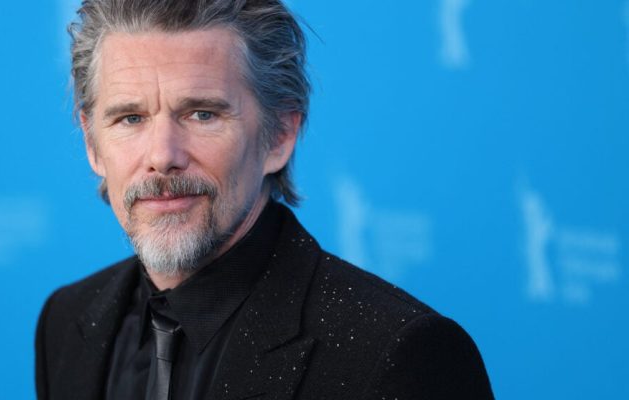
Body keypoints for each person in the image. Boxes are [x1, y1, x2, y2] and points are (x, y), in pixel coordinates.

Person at [35, 0, 495, 399]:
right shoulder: (68, 321)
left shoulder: (398, 352)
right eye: (131, 118)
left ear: (279, 136)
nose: (162, 156)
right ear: (92, 143)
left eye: (201, 114)